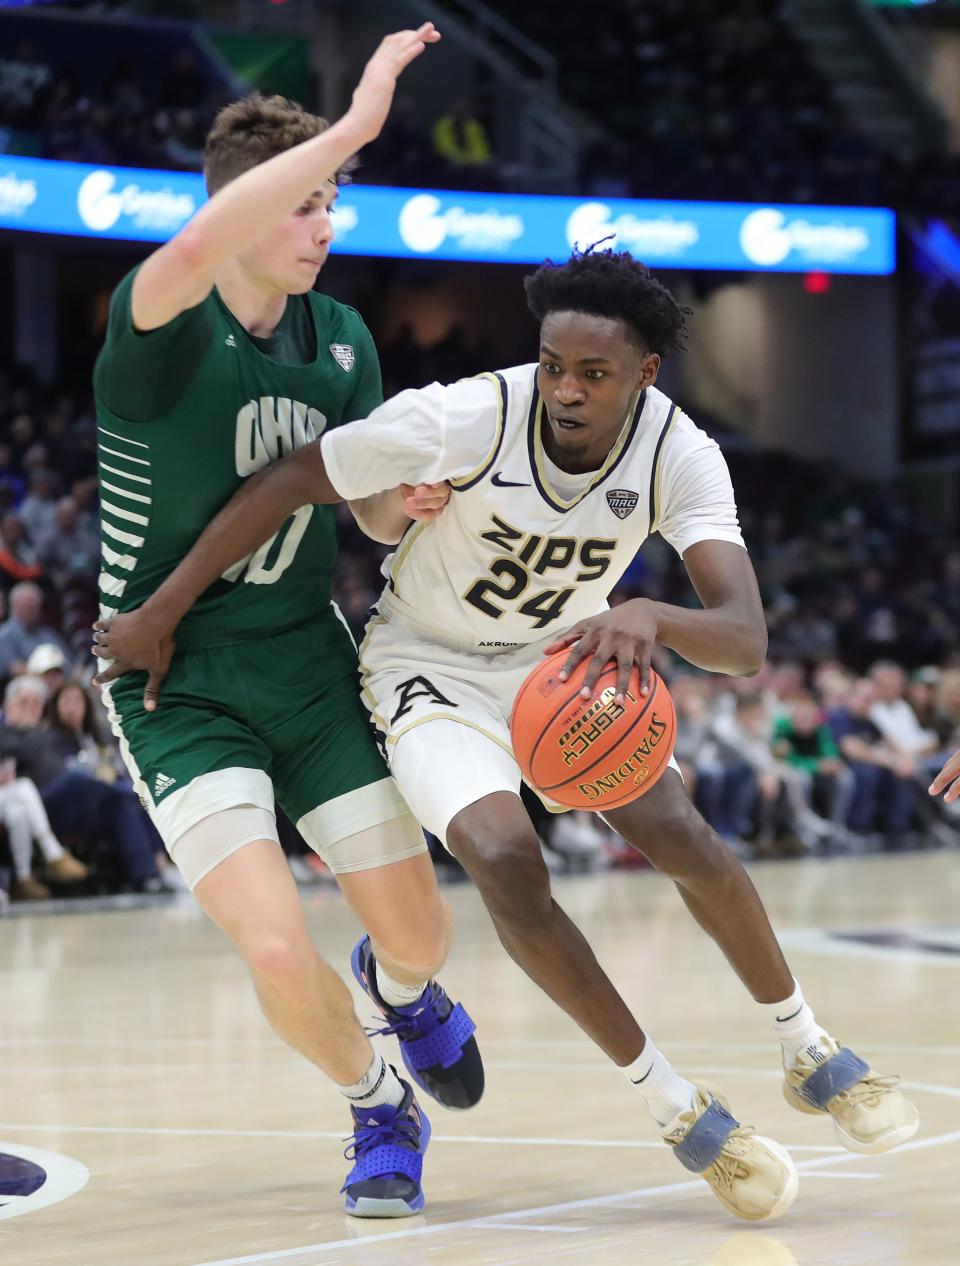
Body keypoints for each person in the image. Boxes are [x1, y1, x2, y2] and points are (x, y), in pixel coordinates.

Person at [94, 249, 919, 1222]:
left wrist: (652, 615)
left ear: (644, 376)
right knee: (501, 854)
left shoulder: (678, 451)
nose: (566, 392)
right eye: (553, 366)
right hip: (426, 666)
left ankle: (808, 1047)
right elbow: (294, 479)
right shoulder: (468, 414)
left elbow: (742, 639)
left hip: (563, 657)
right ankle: (675, 1107)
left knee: (681, 832)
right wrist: (164, 606)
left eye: (594, 375)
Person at [91, 23, 489, 1220]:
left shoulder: (346, 340)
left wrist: (396, 503)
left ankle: (400, 989)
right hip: (177, 683)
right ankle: (379, 1106)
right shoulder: (158, 325)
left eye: (335, 202)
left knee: (423, 935)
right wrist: (358, 120)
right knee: (269, 943)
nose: (330, 225)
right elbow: (202, 237)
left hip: (308, 658)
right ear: (244, 208)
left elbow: (357, 500)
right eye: (310, 203)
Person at [0, 676, 89, 901]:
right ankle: (53, 852)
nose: (30, 709)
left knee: (18, 811)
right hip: (27, 796)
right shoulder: (15, 732)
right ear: (8, 704)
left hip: (20, 801)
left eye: (36, 704)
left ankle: (23, 878)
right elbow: (17, 749)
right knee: (24, 787)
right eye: (24, 702)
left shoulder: (39, 734)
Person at [0, 581, 71, 680]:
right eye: (25, 605)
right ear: (14, 606)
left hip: (55, 686)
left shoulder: (48, 634)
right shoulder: (4, 635)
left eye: (33, 606)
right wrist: (48, 675)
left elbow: (68, 664)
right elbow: (14, 668)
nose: (29, 610)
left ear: (39, 608)